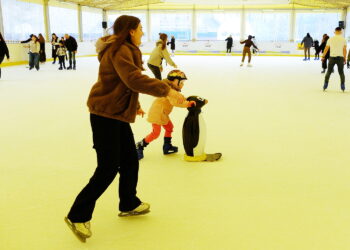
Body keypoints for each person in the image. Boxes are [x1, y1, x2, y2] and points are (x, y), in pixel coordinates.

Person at [64, 15, 185, 243]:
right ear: (130, 30)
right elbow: (132, 79)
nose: (142, 32)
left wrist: (134, 104)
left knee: (129, 161)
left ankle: (129, 203)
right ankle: (77, 215)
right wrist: (166, 89)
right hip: (105, 114)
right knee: (108, 168)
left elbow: (122, 82)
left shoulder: (126, 48)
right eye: (140, 29)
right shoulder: (121, 50)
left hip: (117, 113)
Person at [136, 70, 195, 160]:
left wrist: (187, 100)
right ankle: (140, 145)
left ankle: (167, 146)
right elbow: (175, 102)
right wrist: (187, 104)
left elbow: (178, 99)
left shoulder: (172, 90)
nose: (183, 84)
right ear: (173, 81)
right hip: (157, 113)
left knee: (169, 128)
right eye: (181, 82)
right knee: (156, 133)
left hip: (163, 113)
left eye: (183, 82)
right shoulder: (168, 91)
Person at [322, 27, 347, 92]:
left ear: (334, 32)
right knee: (341, 72)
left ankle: (325, 84)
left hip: (332, 58)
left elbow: (326, 49)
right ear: (341, 32)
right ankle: (342, 85)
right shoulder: (343, 39)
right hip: (340, 58)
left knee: (329, 71)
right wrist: (345, 58)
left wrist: (323, 56)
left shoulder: (330, 39)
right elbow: (344, 50)